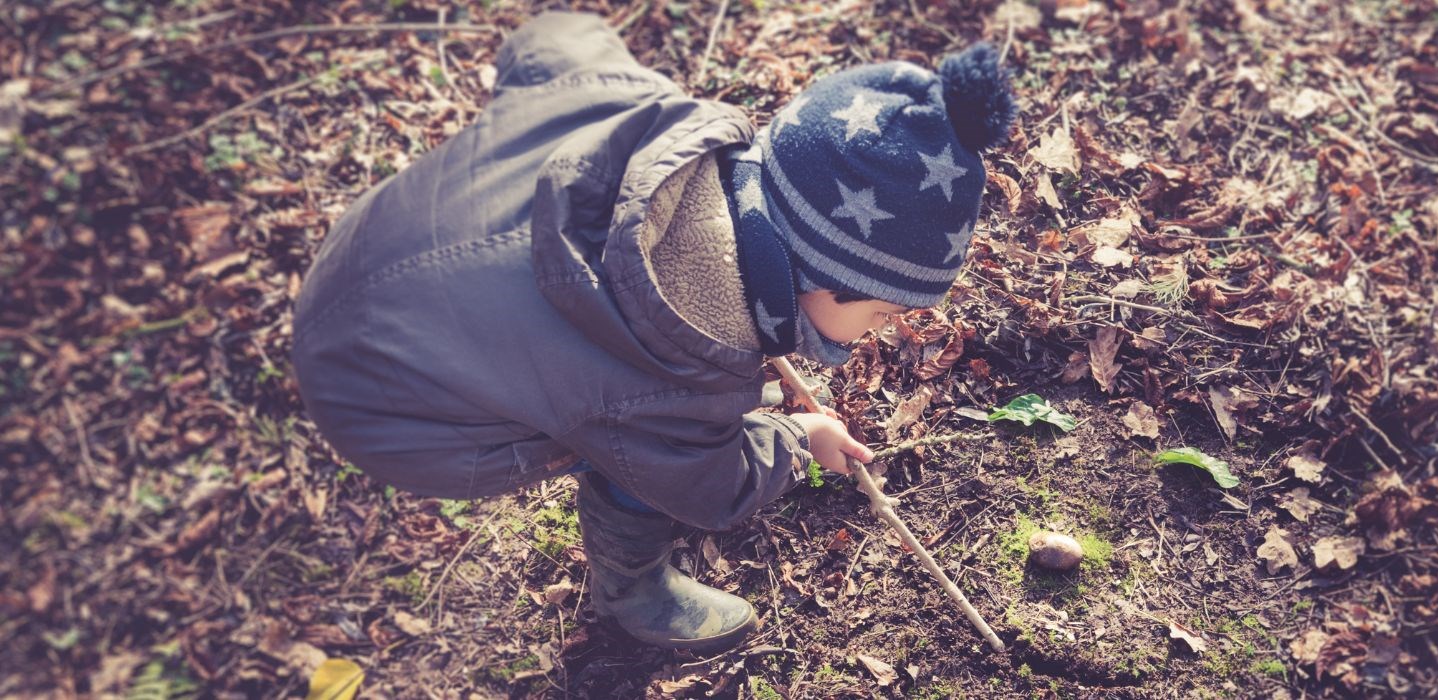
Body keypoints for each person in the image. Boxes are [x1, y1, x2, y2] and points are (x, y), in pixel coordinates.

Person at [288, 11, 1016, 653]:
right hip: (386, 410)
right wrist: (798, 441)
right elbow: (712, 488)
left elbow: (554, 40)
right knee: (629, 452)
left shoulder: (647, 113)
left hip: (359, 255)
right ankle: (633, 594)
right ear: (824, 279)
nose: (876, 334)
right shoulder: (675, 379)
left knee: (602, 396)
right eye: (883, 313)